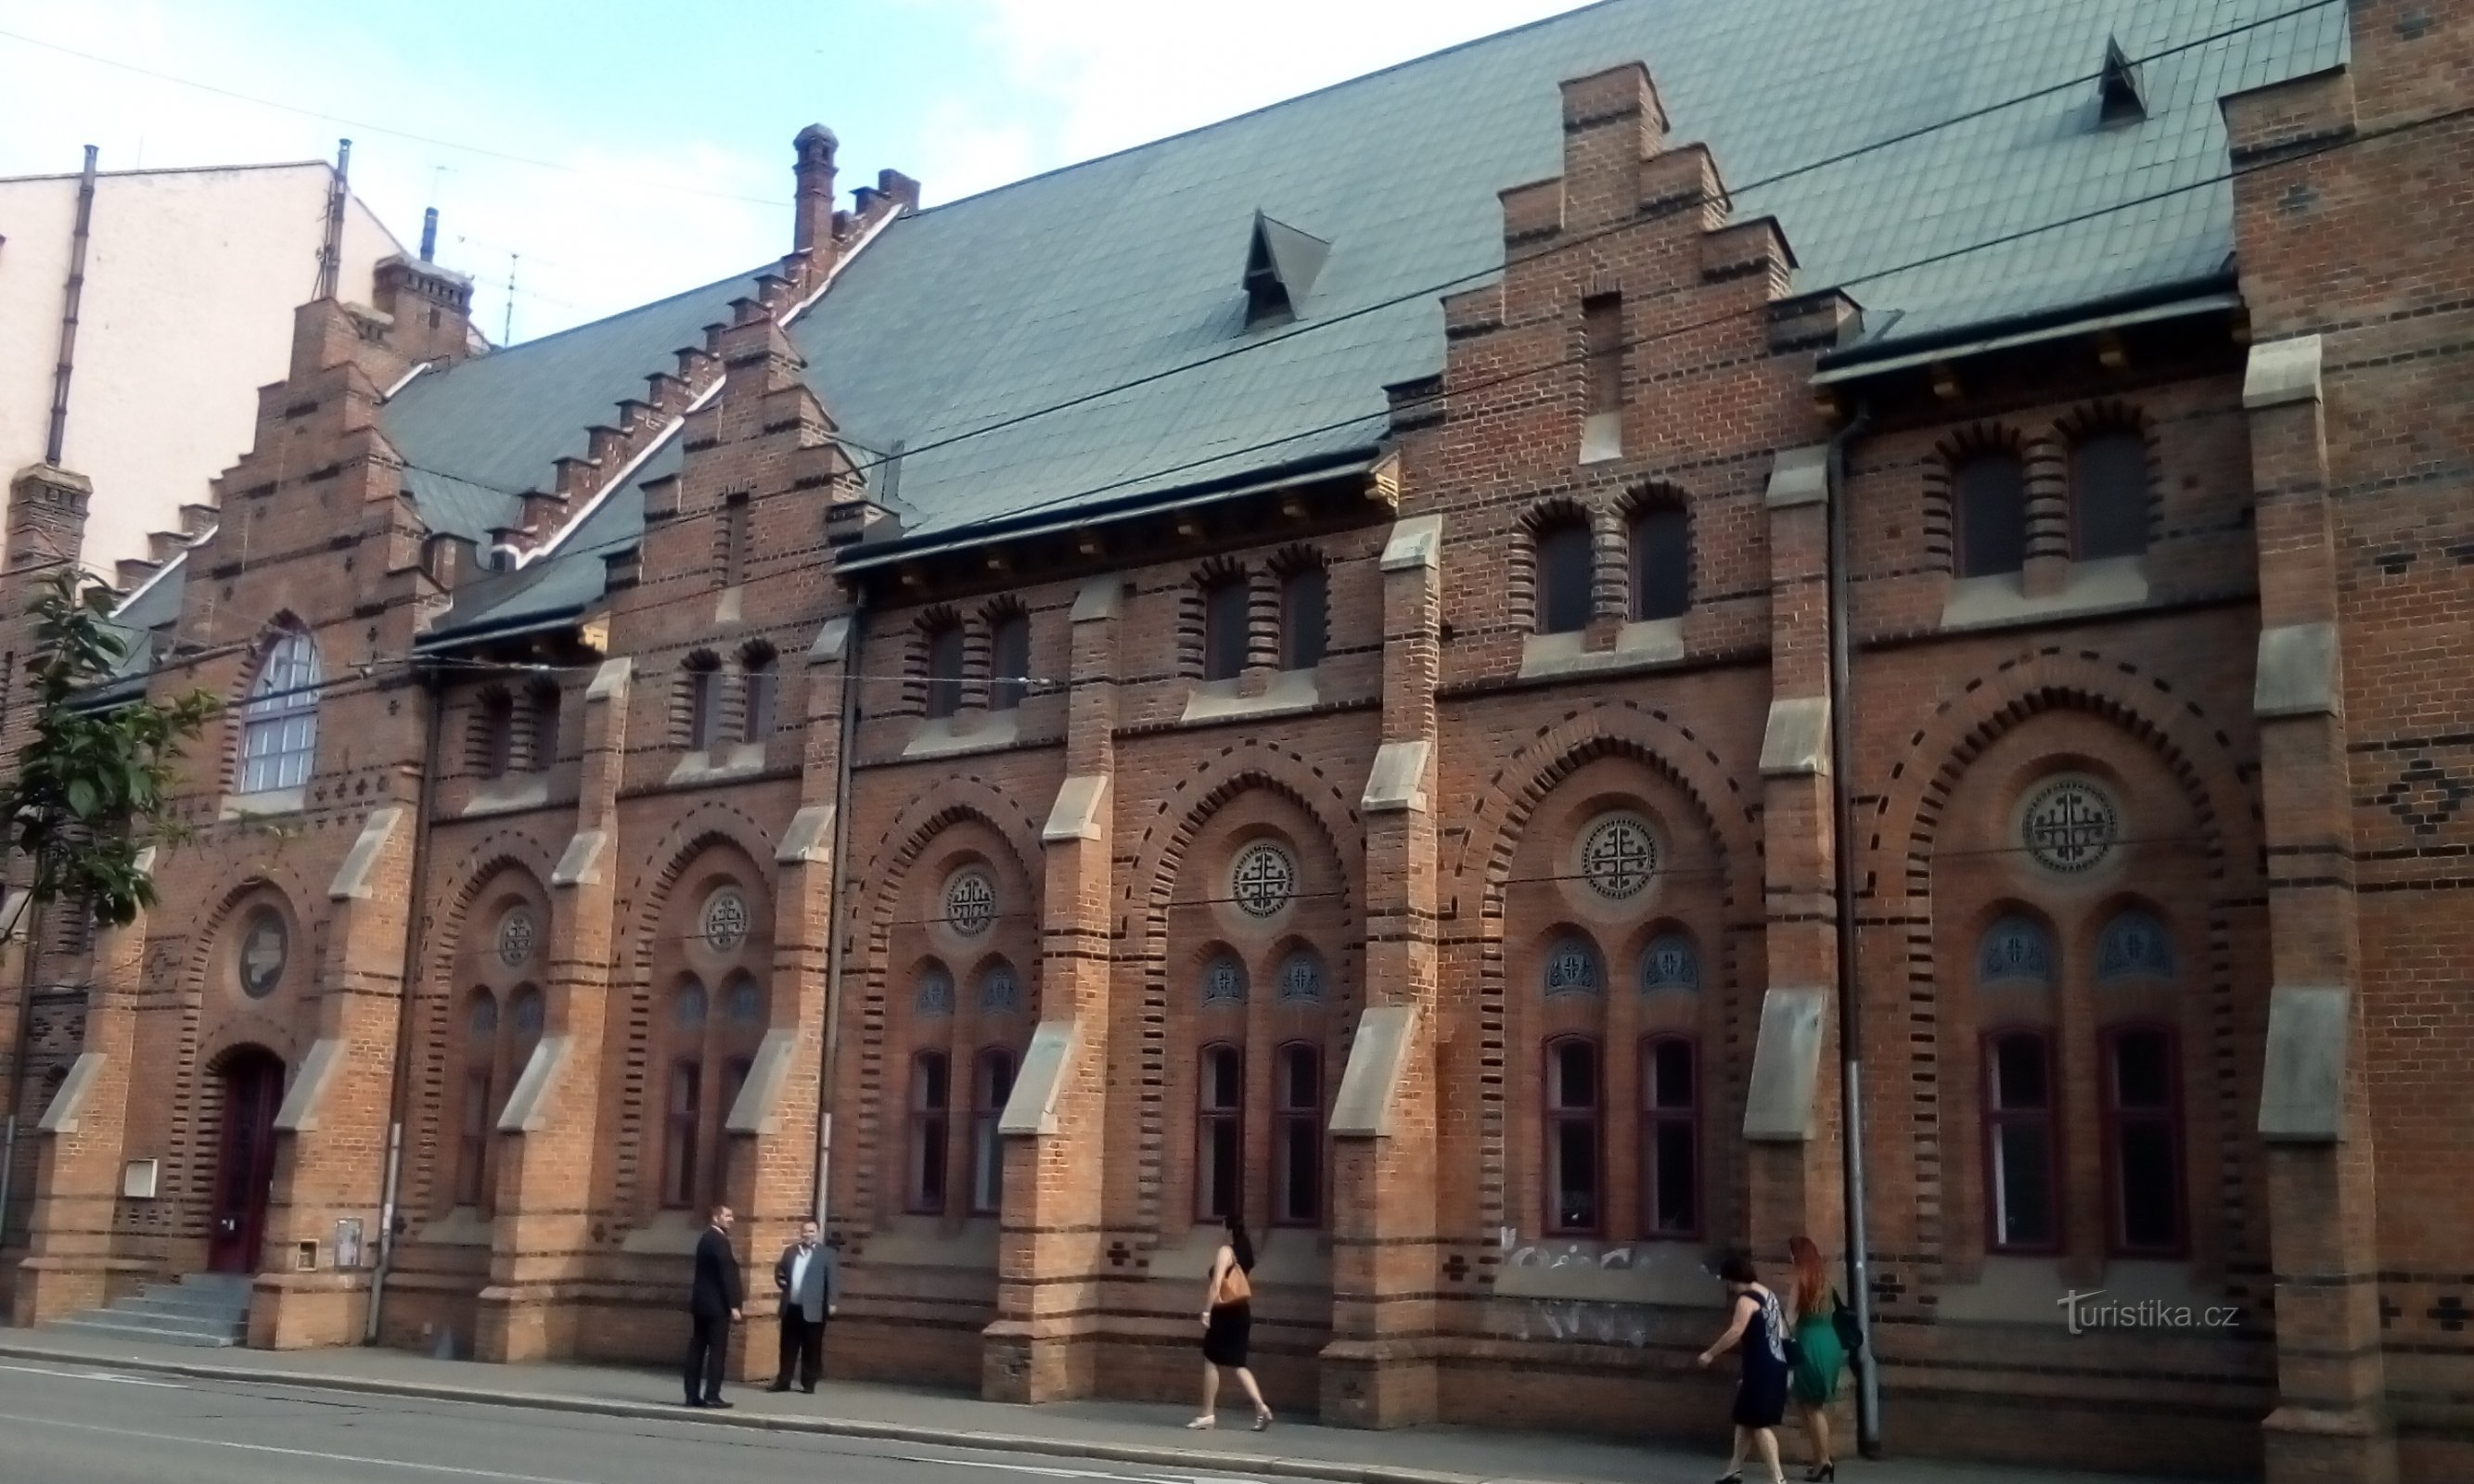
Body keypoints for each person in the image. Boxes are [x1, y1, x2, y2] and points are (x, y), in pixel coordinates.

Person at [1696, 1251, 1788, 1484]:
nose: (1727, 1286)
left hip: (1760, 1366)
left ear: (1733, 1278)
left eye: (1727, 1280)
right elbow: (1781, 1331)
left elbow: (1736, 1331)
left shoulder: (1746, 1300)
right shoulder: (1769, 1294)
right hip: (1774, 1363)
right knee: (1744, 1418)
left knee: (1759, 1424)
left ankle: (1778, 1479)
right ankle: (1733, 1470)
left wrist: (1710, 1353)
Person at [1186, 1214, 1273, 1431]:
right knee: (1238, 1364)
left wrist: (1207, 1312)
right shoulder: (1245, 1254)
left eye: (1222, 1225)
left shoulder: (1226, 1251)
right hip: (1242, 1311)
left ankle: (1207, 1414)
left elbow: (1216, 1285)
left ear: (1228, 1228)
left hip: (1224, 1312)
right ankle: (1261, 1407)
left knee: (1210, 1358)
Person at [1785, 1235, 1845, 1482]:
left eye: (1791, 1254)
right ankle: (1819, 1457)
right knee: (1808, 1403)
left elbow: (1790, 1317)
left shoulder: (1800, 1279)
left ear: (1797, 1255)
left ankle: (1824, 1460)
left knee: (1812, 1405)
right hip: (1829, 1341)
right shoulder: (1826, 1280)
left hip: (1809, 1342)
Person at [683, 1203, 743, 1409]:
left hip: (701, 1305)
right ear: (716, 1218)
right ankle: (712, 1395)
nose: (731, 1220)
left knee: (697, 1349)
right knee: (717, 1351)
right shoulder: (719, 1241)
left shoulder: (705, 1238)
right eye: (727, 1216)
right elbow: (725, 1275)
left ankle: (692, 1395)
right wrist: (734, 1305)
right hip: (717, 1306)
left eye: (732, 1216)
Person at [768, 1218, 839, 1394]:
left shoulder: (827, 1254)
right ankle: (783, 1380)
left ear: (817, 1233)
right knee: (787, 1346)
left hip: (814, 1308)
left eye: (811, 1231)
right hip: (791, 1307)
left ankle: (808, 1383)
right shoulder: (790, 1252)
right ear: (801, 1233)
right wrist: (783, 1284)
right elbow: (780, 1270)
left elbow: (833, 1280)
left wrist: (832, 1302)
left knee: (812, 1347)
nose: (808, 1234)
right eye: (805, 1231)